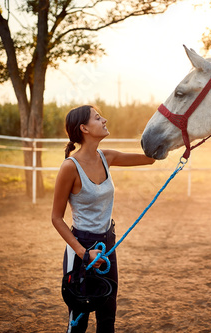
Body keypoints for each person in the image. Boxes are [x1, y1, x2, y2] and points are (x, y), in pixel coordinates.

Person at [51, 105, 155, 333]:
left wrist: (173, 137)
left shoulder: (106, 157)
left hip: (107, 245)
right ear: (84, 128)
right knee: (78, 321)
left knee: (107, 319)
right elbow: (56, 218)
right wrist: (84, 253)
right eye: (98, 118)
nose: (104, 120)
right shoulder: (70, 167)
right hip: (81, 249)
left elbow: (150, 159)